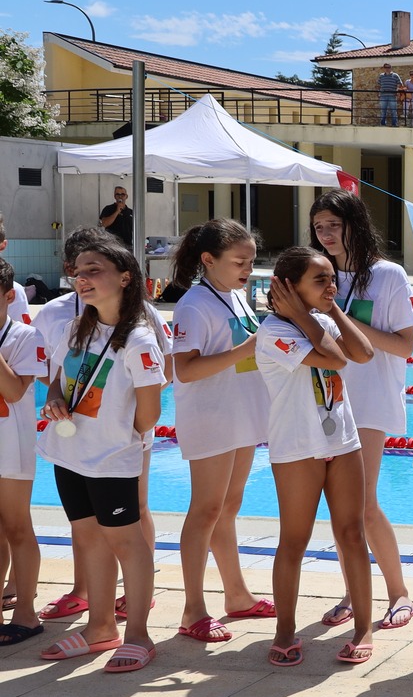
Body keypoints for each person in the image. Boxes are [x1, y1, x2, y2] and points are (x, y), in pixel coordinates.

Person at [35, 236, 164, 673]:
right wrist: (54, 399)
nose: (81, 278)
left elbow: (150, 413)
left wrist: (120, 438)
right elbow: (57, 380)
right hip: (69, 451)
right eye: (78, 271)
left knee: (126, 542)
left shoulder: (141, 340)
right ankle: (99, 626)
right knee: (87, 536)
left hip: (111, 457)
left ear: (125, 278)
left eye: (94, 270)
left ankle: (139, 634)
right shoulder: (77, 326)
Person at [255, 246, 380, 669]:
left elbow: (364, 352)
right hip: (297, 447)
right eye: (320, 280)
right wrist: (309, 317)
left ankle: (363, 628)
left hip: (342, 443)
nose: (331, 286)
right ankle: (285, 629)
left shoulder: (322, 319)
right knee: (294, 540)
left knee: (352, 534)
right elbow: (337, 359)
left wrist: (332, 311)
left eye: (332, 279)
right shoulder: (273, 331)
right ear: (289, 288)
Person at [310, 191, 413, 634]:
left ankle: (399, 593)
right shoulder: (317, 275)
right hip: (328, 401)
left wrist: (343, 321)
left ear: (355, 224)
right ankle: (354, 592)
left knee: (362, 503)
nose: (327, 234)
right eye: (319, 227)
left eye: (334, 225)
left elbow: (405, 344)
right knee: (341, 509)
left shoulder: (387, 276)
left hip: (371, 401)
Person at [166, 219, 272, 642]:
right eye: (239, 262)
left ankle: (237, 596)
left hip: (240, 414)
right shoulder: (194, 304)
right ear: (208, 260)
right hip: (211, 417)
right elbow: (185, 370)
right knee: (206, 510)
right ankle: (193, 609)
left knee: (228, 507)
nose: (247, 269)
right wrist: (246, 349)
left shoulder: (236, 295)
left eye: (250, 261)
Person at [0, 259, 45, 646]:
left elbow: (15, 392)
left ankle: (27, 613)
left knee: (16, 527)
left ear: (8, 296)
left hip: (11, 448)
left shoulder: (23, 337)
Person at [98, 186, 134, 251]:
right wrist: (117, 211)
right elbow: (104, 224)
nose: (120, 196)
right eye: (118, 194)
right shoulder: (108, 209)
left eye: (122, 194)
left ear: (126, 196)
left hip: (128, 246)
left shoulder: (131, 212)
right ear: (115, 196)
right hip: (112, 245)